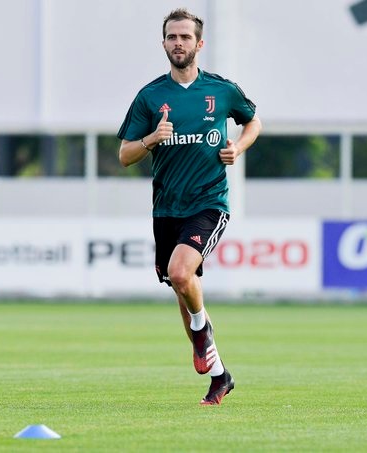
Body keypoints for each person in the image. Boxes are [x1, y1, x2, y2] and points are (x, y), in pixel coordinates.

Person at [117, 8, 262, 405]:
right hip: (167, 207)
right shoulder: (150, 97)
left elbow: (253, 122)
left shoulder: (221, 91)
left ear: (199, 44)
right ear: (163, 43)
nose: (178, 43)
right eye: (171, 37)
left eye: (185, 37)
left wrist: (238, 147)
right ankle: (219, 375)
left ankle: (202, 332)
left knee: (182, 273)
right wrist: (151, 139)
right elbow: (124, 155)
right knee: (182, 287)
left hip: (209, 201)